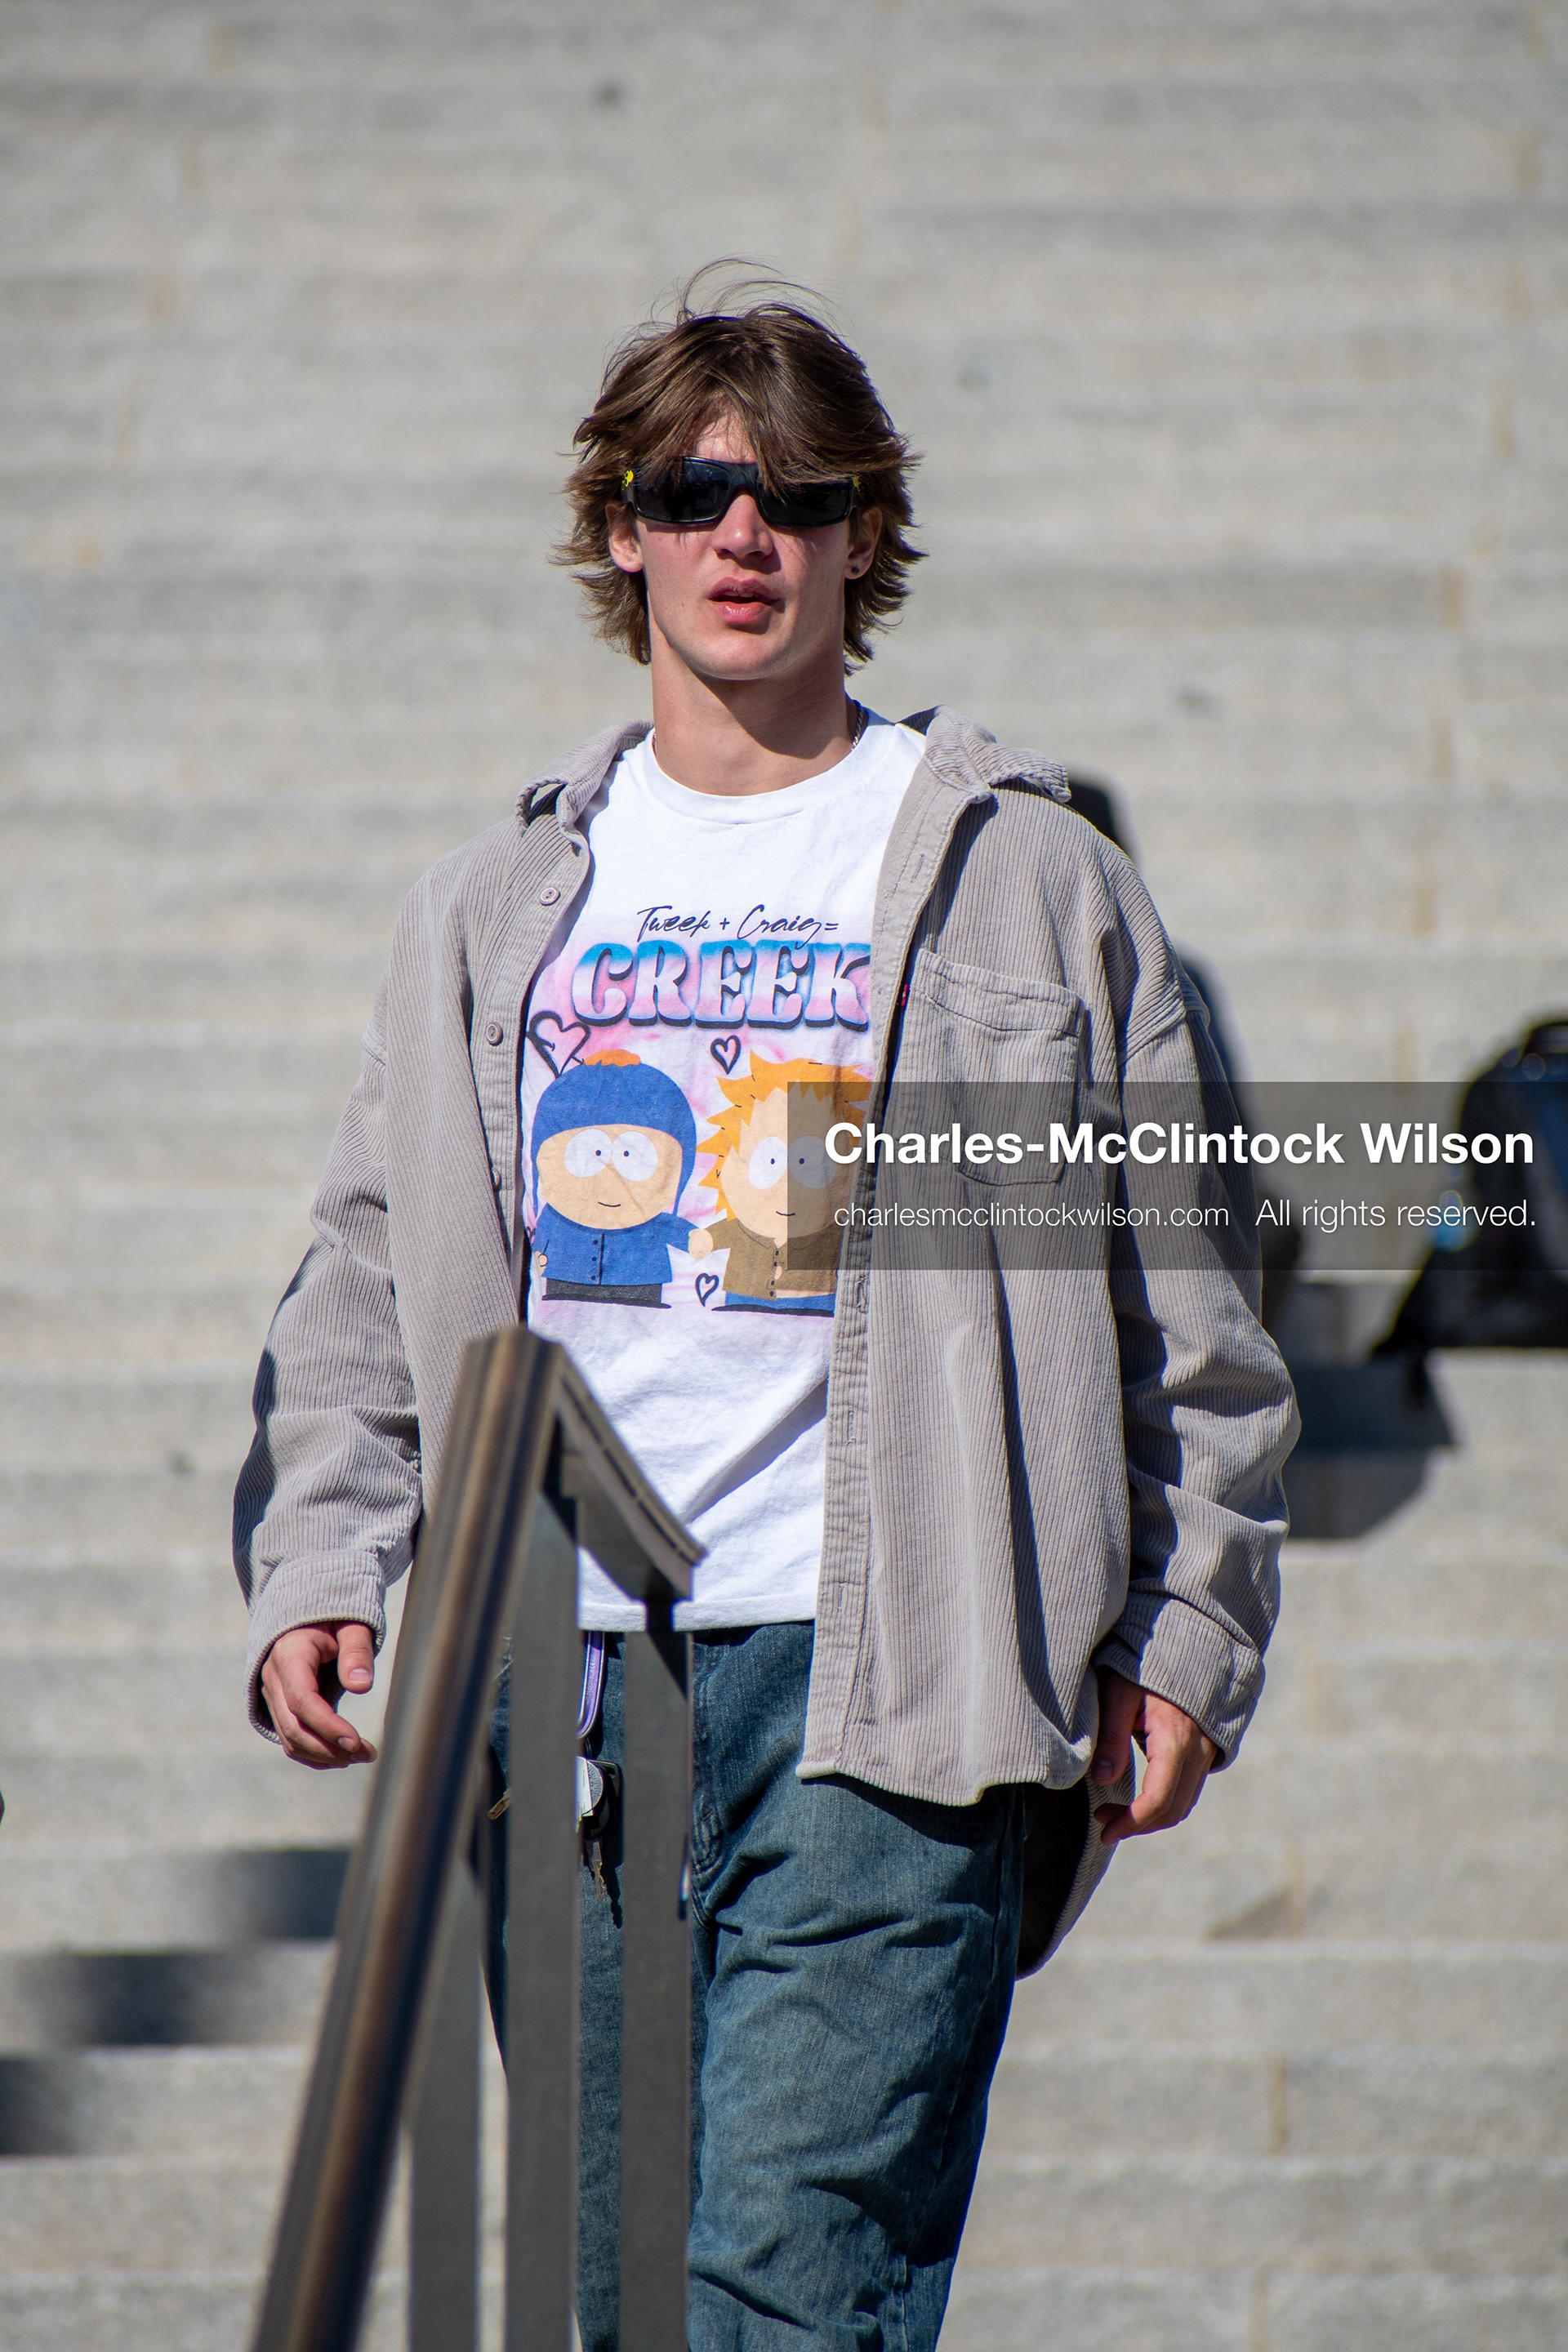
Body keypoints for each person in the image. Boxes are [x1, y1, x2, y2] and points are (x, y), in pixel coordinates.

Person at [234, 270, 1298, 2351]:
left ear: (863, 537)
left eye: (796, 495)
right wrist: (320, 1561)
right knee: (622, 2300)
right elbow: (366, 1269)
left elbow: (1195, 1311)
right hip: (559, 1691)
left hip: (894, 1677)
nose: (744, 533)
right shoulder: (492, 902)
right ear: (618, 525)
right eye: (692, 488)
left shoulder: (1025, 875)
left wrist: (1190, 1624)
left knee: (787, 2296)